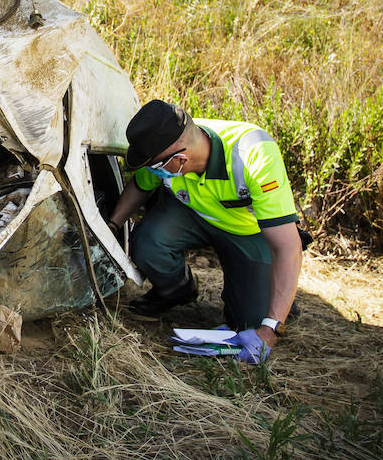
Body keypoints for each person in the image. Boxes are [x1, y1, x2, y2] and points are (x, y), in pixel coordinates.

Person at [105, 100, 305, 363]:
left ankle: (273, 299)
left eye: (154, 166)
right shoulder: (165, 143)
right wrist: (112, 226)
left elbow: (288, 248)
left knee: (249, 323)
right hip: (193, 214)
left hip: (248, 232)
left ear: (179, 160)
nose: (151, 171)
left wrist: (269, 329)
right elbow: (140, 187)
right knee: (148, 242)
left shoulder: (254, 154)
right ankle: (177, 290)